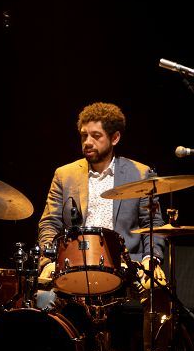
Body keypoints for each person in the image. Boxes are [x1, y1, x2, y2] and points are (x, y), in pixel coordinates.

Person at [38, 102, 166, 282]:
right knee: (43, 298)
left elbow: (152, 224)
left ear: (115, 138)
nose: (87, 142)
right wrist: (50, 259)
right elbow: (50, 223)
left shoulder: (139, 174)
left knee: (157, 291)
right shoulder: (64, 175)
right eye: (84, 136)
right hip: (74, 264)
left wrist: (150, 258)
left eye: (96, 136)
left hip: (126, 266)